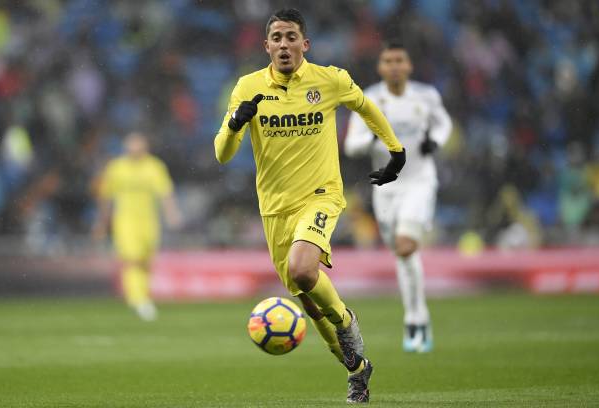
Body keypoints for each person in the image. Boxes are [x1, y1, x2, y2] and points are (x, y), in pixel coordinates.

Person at [214, 9, 406, 404]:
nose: (284, 45)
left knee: (304, 270)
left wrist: (396, 151)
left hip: (321, 195)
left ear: (305, 44)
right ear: (266, 46)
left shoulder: (329, 80)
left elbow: (366, 106)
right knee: (307, 298)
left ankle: (348, 321)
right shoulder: (248, 88)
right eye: (277, 38)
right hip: (274, 209)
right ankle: (356, 369)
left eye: (291, 37)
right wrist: (235, 123)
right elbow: (222, 154)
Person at [345, 42, 452, 353]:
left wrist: (436, 141)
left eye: (399, 60)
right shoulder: (368, 99)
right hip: (386, 186)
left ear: (409, 66)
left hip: (419, 181)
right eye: (387, 61)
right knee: (402, 255)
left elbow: (444, 123)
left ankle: (416, 319)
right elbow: (351, 144)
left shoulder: (427, 96)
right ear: (380, 68)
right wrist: (371, 139)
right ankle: (416, 318)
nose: (393, 65)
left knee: (405, 247)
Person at [93, 132, 181, 321]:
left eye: (138, 144)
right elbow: (106, 197)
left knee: (145, 261)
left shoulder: (154, 166)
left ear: (145, 146)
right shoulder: (116, 168)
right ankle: (138, 299)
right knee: (131, 259)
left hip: (149, 221)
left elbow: (165, 193)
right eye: (131, 145)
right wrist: (101, 222)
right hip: (125, 221)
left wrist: (172, 214)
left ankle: (141, 296)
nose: (134, 148)